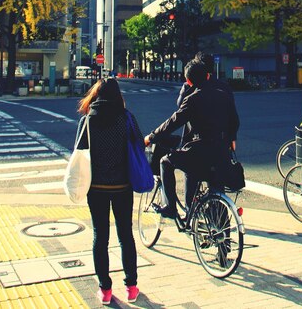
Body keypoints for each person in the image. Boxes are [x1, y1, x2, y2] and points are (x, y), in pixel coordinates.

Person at [74, 78, 141, 304]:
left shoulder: (88, 120)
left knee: (100, 236)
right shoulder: (127, 117)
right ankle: (131, 286)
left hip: (97, 187)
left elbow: (79, 151)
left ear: (96, 94)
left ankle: (105, 289)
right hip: (123, 185)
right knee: (125, 235)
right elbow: (139, 144)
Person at [145, 59, 240, 217]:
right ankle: (223, 238)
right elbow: (235, 122)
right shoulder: (224, 96)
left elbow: (172, 123)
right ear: (208, 76)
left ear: (188, 81)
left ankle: (170, 207)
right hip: (221, 153)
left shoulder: (192, 99)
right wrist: (229, 139)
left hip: (199, 152)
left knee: (165, 162)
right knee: (217, 189)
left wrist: (151, 137)